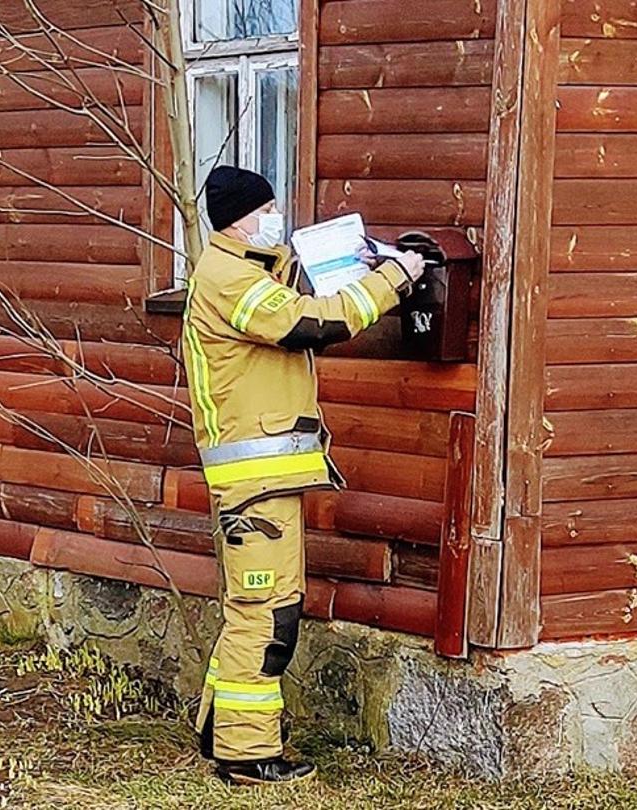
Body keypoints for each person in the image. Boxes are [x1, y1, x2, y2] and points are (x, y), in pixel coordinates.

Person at [181, 165, 424, 786]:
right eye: (267, 210)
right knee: (266, 616)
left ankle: (220, 729)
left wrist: (353, 257)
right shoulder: (230, 278)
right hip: (253, 484)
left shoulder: (245, 270)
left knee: (257, 608)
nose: (275, 217)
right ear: (243, 215)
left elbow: (291, 295)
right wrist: (395, 279)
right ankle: (246, 755)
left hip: (265, 482)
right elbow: (311, 325)